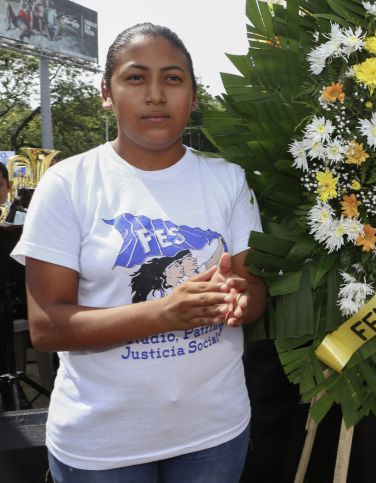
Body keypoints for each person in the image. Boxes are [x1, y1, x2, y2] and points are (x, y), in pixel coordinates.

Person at [11, 23, 265, 482]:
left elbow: (254, 291)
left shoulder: (228, 179)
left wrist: (239, 300)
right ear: (106, 92)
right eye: (135, 78)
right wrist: (165, 313)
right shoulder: (68, 185)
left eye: (172, 78)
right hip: (102, 445)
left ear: (193, 95)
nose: (155, 94)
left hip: (215, 433)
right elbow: (47, 327)